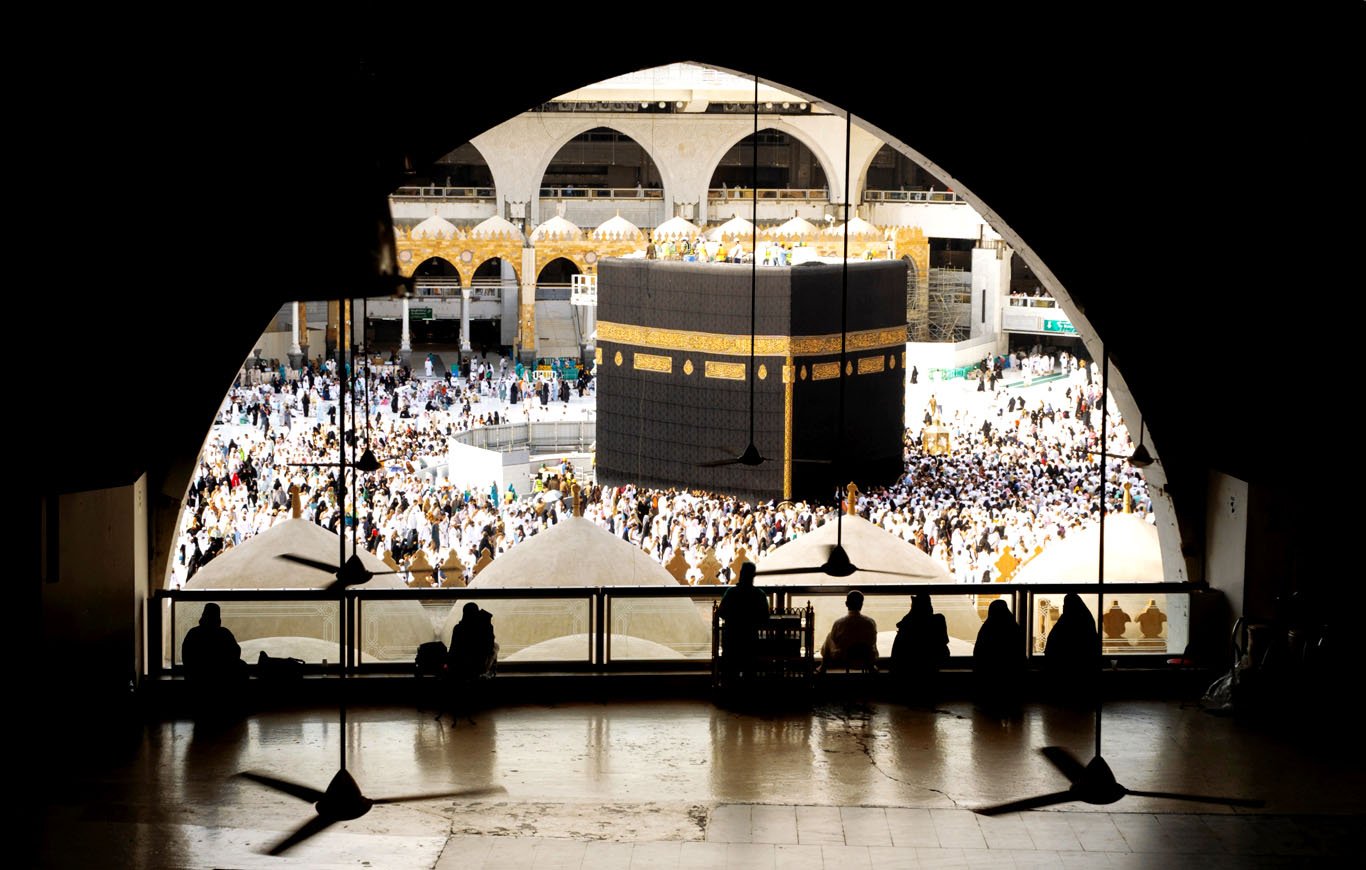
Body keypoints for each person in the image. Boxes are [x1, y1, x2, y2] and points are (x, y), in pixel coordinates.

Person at [716, 562, 769, 681]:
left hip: (731, 641)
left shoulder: (731, 593)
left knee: (730, 675)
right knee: (749, 674)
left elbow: (721, 613)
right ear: (753, 575)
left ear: (740, 574)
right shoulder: (759, 595)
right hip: (750, 642)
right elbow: (765, 618)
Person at [1044, 592, 1100, 701]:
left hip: (1064, 667)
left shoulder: (1064, 621)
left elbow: (1054, 642)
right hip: (1084, 668)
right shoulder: (1086, 619)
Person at [972, 598, 1025, 712]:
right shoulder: (1014, 628)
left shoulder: (987, 629)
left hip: (990, 676)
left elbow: (979, 654)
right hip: (1011, 676)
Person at [890, 593, 949, 692]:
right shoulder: (938, 620)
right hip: (930, 666)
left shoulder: (907, 623)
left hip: (907, 670)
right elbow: (944, 644)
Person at [820, 590, 879, 672]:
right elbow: (873, 641)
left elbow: (835, 641)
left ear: (846, 604)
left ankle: (823, 666)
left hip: (844, 659)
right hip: (866, 659)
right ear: (861, 604)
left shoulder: (839, 623)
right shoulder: (870, 622)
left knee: (830, 636)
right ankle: (871, 667)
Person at [447, 602, 498, 682]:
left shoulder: (458, 628)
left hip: (460, 666)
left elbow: (453, 649)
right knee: (496, 646)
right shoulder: (483, 627)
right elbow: (489, 646)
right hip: (479, 667)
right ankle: (490, 673)